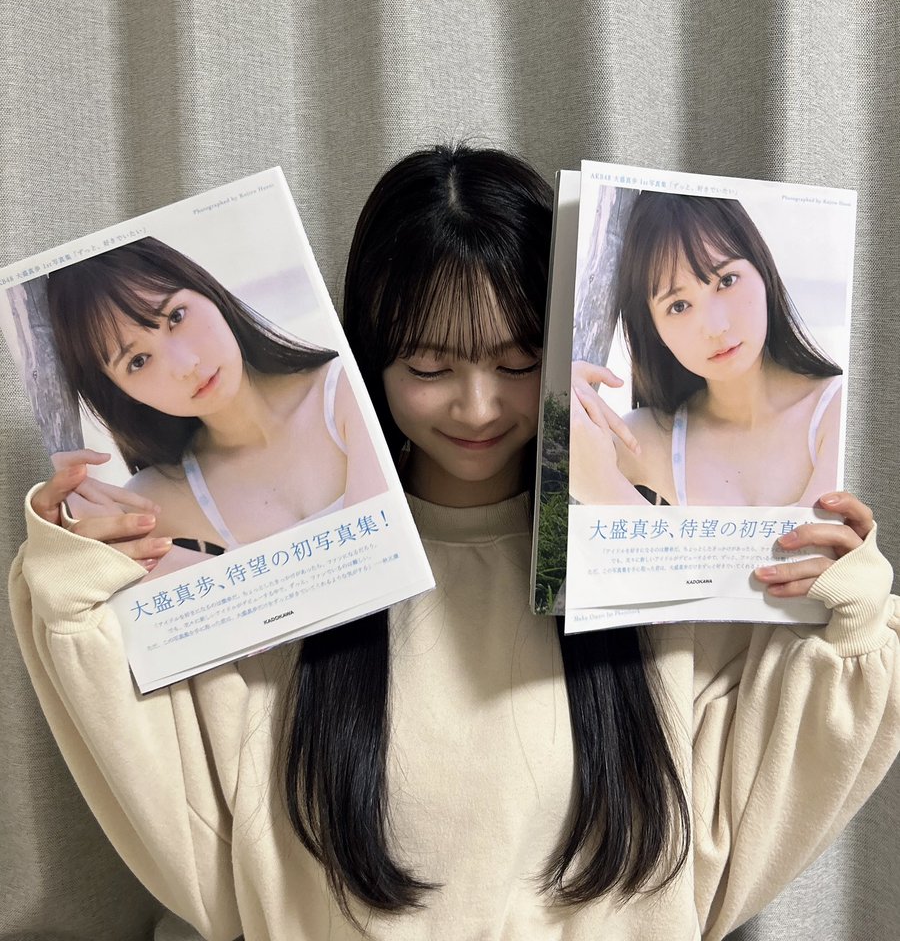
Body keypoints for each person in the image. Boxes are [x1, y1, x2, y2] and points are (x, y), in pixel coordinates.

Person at [9, 145, 900, 941]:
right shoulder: (262, 558)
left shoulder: (646, 549)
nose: (478, 408)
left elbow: (739, 826)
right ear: (374, 358)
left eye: (517, 364)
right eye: (430, 368)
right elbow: (202, 849)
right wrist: (75, 591)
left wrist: (853, 629)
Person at [42, 237, 386, 575]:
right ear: (120, 393)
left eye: (176, 317)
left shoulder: (344, 391)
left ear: (205, 289)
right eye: (138, 361)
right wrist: (73, 517)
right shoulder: (154, 500)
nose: (186, 365)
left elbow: (378, 564)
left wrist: (159, 563)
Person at [571, 192, 844, 507]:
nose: (716, 327)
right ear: (654, 329)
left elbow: (820, 541)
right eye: (679, 305)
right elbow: (551, 476)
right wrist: (565, 390)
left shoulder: (836, 410)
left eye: (727, 281)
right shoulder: (649, 438)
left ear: (763, 269)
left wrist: (606, 491)